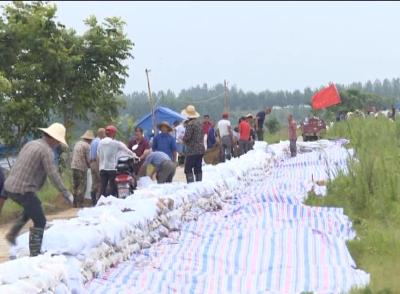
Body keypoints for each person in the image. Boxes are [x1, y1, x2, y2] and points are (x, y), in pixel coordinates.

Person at [1, 123, 73, 256]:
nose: (57, 144)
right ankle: (35, 254)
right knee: (40, 220)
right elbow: (53, 174)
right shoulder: (46, 151)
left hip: (9, 185)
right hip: (22, 189)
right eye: (58, 142)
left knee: (33, 208)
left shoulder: (31, 143)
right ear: (54, 139)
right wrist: (66, 192)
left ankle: (12, 234)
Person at [97, 125, 135, 197]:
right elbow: (126, 150)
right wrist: (134, 155)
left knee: (103, 186)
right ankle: (112, 200)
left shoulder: (100, 143)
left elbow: (98, 154)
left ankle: (100, 201)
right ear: (113, 134)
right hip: (111, 168)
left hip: (102, 168)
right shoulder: (115, 143)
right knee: (112, 186)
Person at [181, 105, 205, 183]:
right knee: (198, 167)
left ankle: (191, 185)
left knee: (188, 168)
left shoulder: (190, 124)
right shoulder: (200, 123)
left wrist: (183, 140)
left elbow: (187, 137)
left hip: (192, 150)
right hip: (201, 149)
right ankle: (199, 184)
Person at [71, 130, 94, 208]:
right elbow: (88, 159)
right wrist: (90, 166)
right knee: (82, 185)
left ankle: (74, 203)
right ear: (90, 140)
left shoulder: (77, 143)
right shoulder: (87, 146)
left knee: (75, 185)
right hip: (81, 167)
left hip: (74, 166)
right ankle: (80, 203)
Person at [89, 128, 105, 206]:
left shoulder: (93, 141)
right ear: (101, 133)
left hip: (91, 163)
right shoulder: (100, 142)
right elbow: (99, 155)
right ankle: (99, 201)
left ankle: (93, 202)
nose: (105, 135)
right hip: (96, 162)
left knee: (94, 182)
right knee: (100, 181)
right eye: (104, 133)